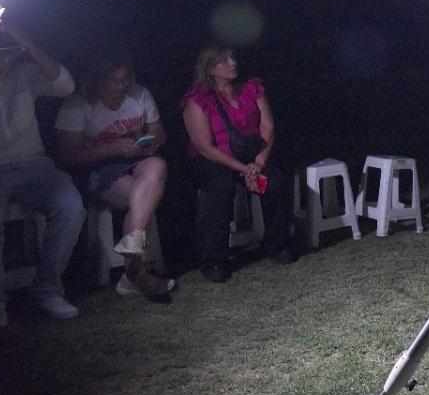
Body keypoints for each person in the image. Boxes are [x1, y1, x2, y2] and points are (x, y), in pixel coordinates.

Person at [0, 17, 86, 324]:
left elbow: (64, 84)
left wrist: (17, 33)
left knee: (70, 206)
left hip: (34, 163)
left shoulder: (24, 72)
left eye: (3, 52)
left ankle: (47, 289)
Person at [55, 56, 175, 298]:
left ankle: (132, 258)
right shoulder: (77, 105)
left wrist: (147, 144)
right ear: (98, 81)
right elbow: (68, 156)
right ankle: (134, 272)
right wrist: (112, 149)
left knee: (157, 166)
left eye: (125, 80)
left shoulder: (139, 94)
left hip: (136, 160)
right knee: (145, 196)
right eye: (114, 81)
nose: (121, 86)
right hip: (98, 169)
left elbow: (159, 132)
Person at [181, 44, 294, 282]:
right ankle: (214, 259)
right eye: (224, 60)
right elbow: (204, 146)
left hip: (253, 155)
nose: (233, 62)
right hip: (215, 159)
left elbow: (268, 126)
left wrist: (258, 164)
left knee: (273, 182)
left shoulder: (251, 89)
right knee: (220, 187)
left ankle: (278, 246)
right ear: (211, 68)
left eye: (233, 57)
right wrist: (243, 170)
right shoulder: (198, 100)